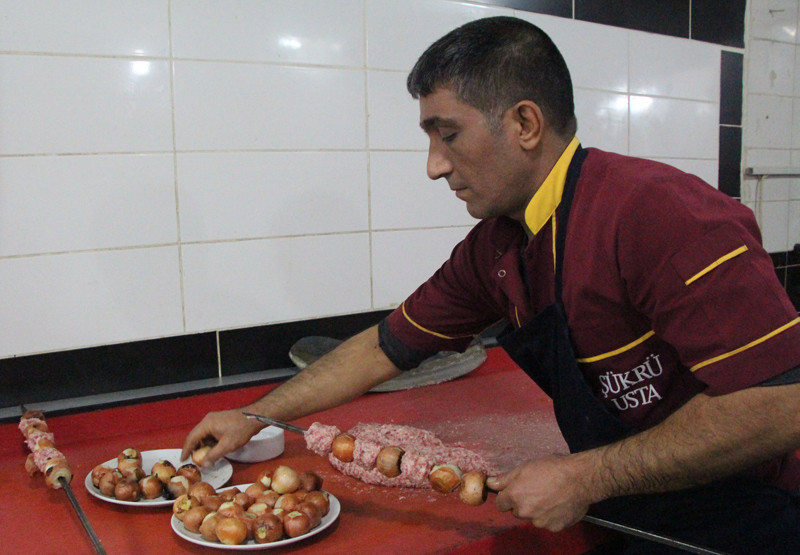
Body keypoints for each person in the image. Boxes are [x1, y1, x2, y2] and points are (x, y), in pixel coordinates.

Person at [183, 16, 800, 552]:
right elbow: (385, 347)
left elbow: (780, 405)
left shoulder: (658, 213)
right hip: (636, 506)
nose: (434, 166)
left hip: (753, 516)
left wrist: (588, 477)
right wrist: (253, 413)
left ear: (525, 123)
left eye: (447, 134)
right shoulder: (498, 247)